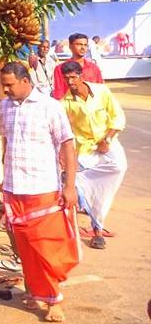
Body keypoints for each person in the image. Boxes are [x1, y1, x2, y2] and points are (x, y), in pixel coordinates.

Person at [0, 61, 79, 322]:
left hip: (42, 187)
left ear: (25, 81)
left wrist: (69, 186)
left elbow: (68, 145)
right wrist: (4, 178)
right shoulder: (4, 106)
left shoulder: (50, 107)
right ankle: (35, 292)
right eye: (4, 86)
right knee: (24, 248)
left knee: (47, 248)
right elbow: (5, 141)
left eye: (9, 85)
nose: (6, 90)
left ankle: (54, 299)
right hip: (14, 188)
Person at [59, 60, 127, 250]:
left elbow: (117, 116)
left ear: (81, 76)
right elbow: (64, 133)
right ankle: (96, 230)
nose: (70, 82)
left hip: (108, 143)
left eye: (73, 77)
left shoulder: (102, 92)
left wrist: (107, 139)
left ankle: (89, 202)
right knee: (71, 183)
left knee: (119, 168)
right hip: (85, 150)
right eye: (66, 79)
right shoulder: (65, 103)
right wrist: (62, 154)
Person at [52, 33, 103, 100]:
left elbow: (101, 90)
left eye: (85, 45)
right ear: (70, 46)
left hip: (92, 106)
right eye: (79, 44)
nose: (83, 48)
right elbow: (59, 93)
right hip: (70, 107)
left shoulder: (93, 68)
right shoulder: (60, 69)